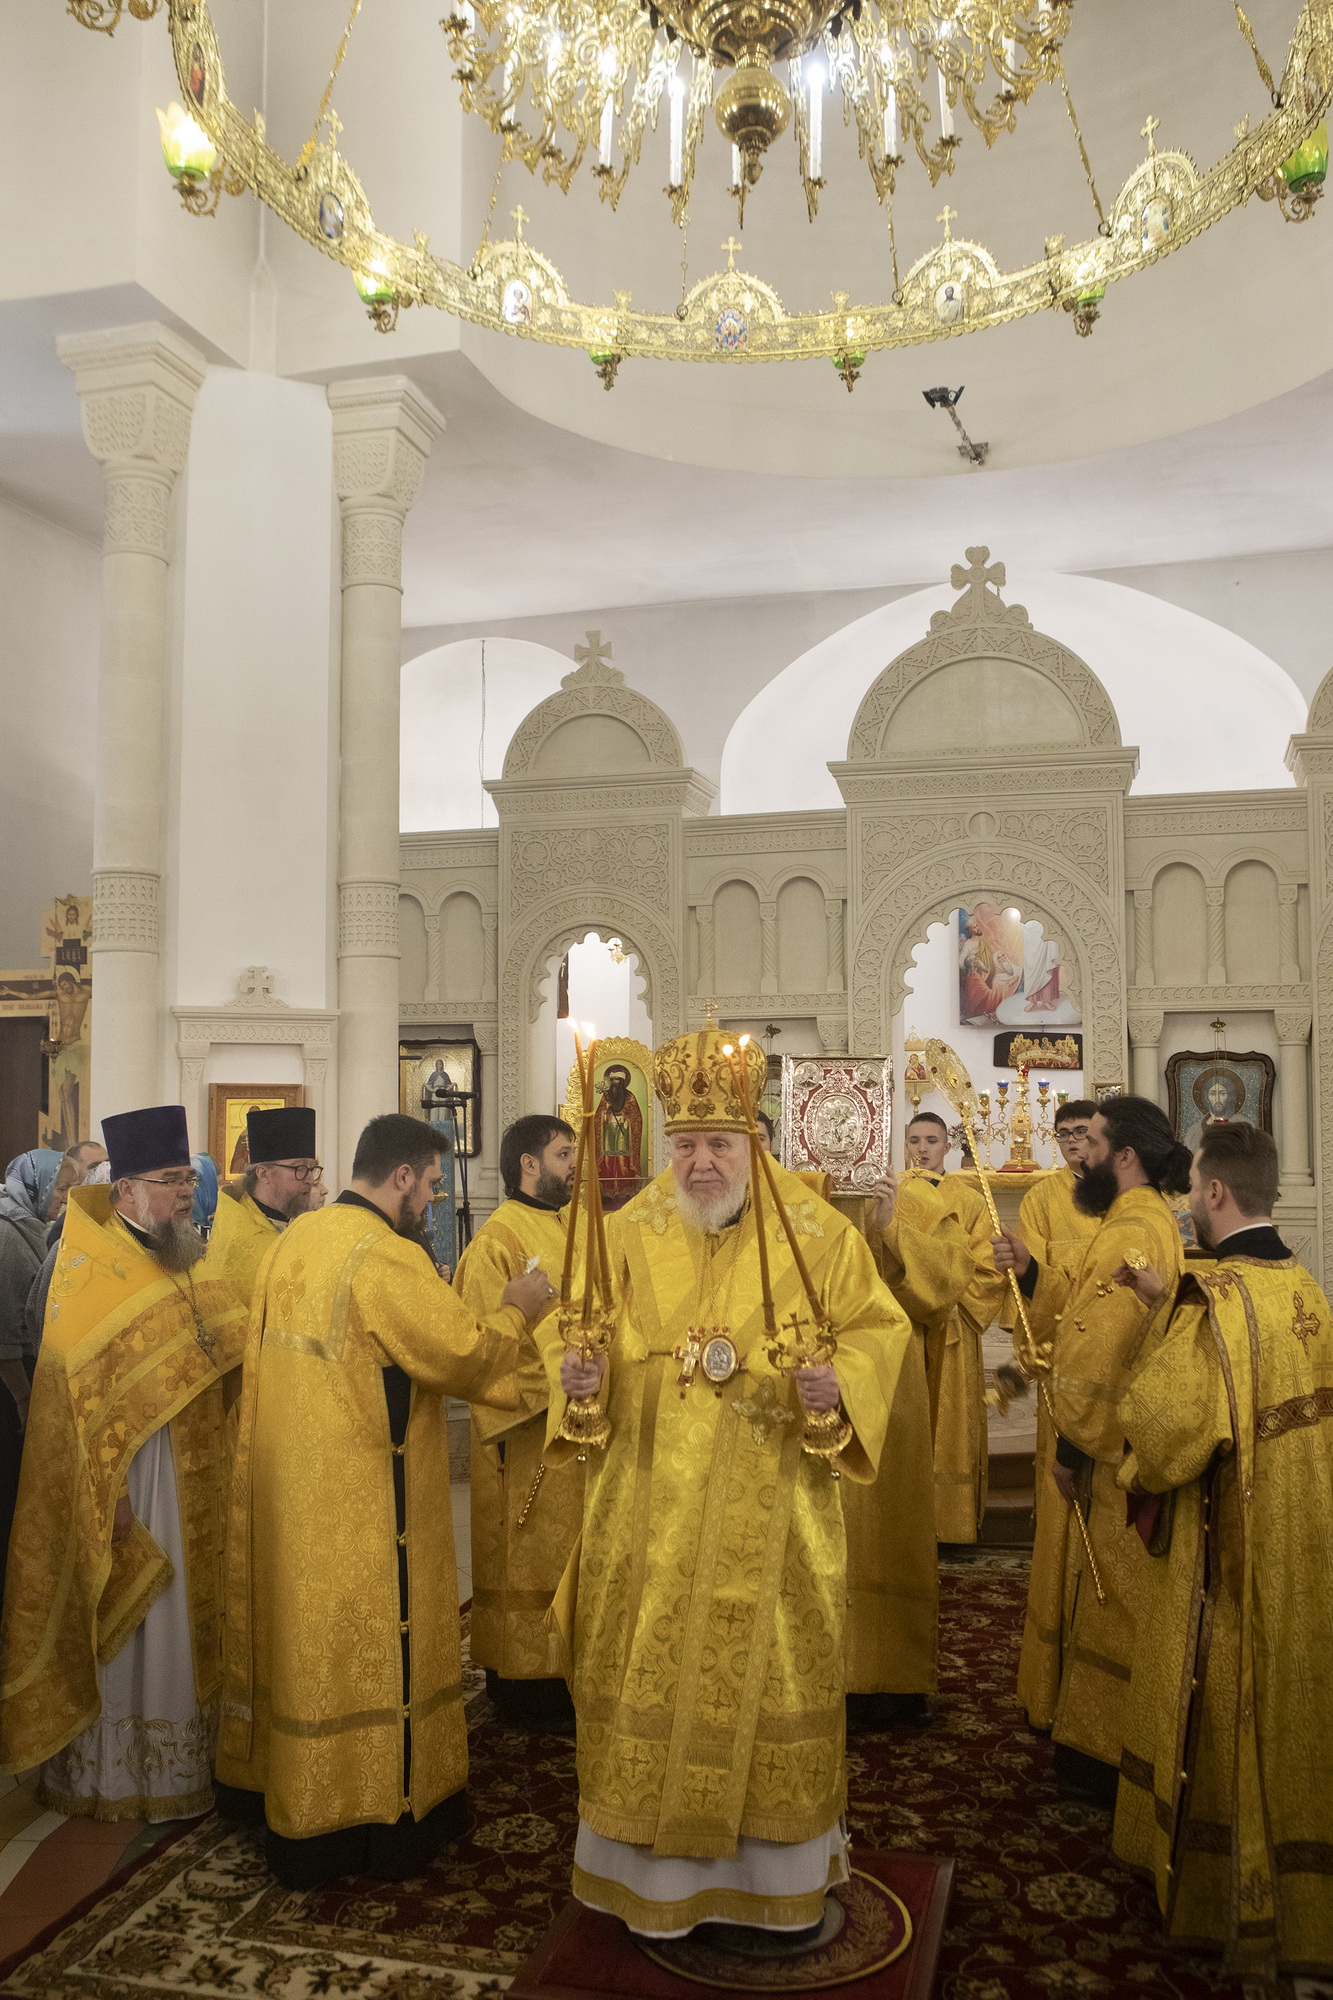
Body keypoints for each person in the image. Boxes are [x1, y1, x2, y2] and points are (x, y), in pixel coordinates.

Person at [550, 1025, 910, 1938]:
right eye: (684, 1146)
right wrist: (580, 1377)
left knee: (772, 1674)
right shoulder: (627, 1231)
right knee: (642, 1664)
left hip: (773, 1502)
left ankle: (771, 1883)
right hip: (646, 1507)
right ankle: (648, 1882)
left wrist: (839, 1384)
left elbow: (878, 1328)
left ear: (754, 1140)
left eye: (717, 1143)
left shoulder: (818, 1234)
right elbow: (579, 1331)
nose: (699, 1163)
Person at [216, 1112, 554, 1889]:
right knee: (375, 1650)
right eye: (431, 1185)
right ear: (401, 1176)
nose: (431, 1200)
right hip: (369, 1501)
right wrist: (518, 1306)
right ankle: (375, 1813)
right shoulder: (385, 1255)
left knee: (310, 1653)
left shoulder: (296, 1239)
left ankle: (301, 1803)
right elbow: (463, 1356)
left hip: (295, 1496)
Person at [1112, 1122, 1333, 1979]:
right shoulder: (1304, 1286)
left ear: (1213, 1192)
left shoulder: (1214, 1302)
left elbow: (1163, 1429)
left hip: (1228, 1555)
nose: (1185, 1204)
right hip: (1300, 1538)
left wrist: (1128, 1456)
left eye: (1191, 1187)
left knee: (1222, 1697)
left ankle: (1217, 1890)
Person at [0, 1106, 248, 1819]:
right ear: (128, 1190)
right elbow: (72, 1408)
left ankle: (183, 1763)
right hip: (133, 1483)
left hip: (193, 1472)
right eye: (171, 1181)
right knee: (140, 1617)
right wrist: (107, 1495)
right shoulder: (87, 1272)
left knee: (182, 1620)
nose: (185, 1194)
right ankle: (116, 1775)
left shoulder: (182, 1254)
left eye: (187, 1180)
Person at [993, 1094, 1190, 1803]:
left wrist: (1071, 1452)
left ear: (1124, 1156)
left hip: (1106, 1451)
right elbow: (1082, 1307)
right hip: (1117, 1441)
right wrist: (1031, 1272)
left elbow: (1099, 1353)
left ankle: (1102, 1754)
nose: (1083, 1157)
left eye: (1095, 1144)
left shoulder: (1130, 1230)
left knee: (1109, 1597)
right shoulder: (1143, 1219)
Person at [452, 1114, 581, 1731]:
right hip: (526, 1430)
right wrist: (557, 1383)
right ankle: (523, 1678)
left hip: (579, 1423)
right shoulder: (497, 1240)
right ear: (529, 1164)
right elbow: (485, 1344)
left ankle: (569, 1666)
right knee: (525, 1552)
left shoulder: (575, 1226)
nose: (574, 1165)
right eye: (563, 1154)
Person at [845, 1161, 971, 1727]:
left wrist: (891, 1228)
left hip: (892, 1388)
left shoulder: (920, 1203)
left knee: (886, 1523)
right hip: (807, 1383)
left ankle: (889, 1675)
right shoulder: (779, 1201)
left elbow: (945, 1291)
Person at [1012, 1099, 1101, 1735]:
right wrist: (1031, 1272)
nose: (1073, 1143)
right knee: (1062, 1506)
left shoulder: (1128, 1198)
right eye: (1064, 1134)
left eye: (1083, 1133)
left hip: (1118, 1375)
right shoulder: (1043, 1198)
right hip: (1065, 1365)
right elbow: (1034, 1289)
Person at [903, 1112, 1004, 1544]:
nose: (922, 1148)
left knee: (952, 1419)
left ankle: (950, 1525)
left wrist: (945, 1296)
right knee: (907, 1417)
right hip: (905, 1323)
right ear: (905, 1144)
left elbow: (989, 1267)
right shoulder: (893, 1193)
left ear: (947, 1146)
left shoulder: (971, 1201)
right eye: (915, 1140)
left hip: (953, 1323)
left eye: (931, 1140)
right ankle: (904, 1522)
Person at [204, 1105, 320, 1307]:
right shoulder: (243, 1241)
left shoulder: (289, 1219)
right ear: (264, 1174)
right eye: (300, 1168)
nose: (310, 1179)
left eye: (312, 1169)